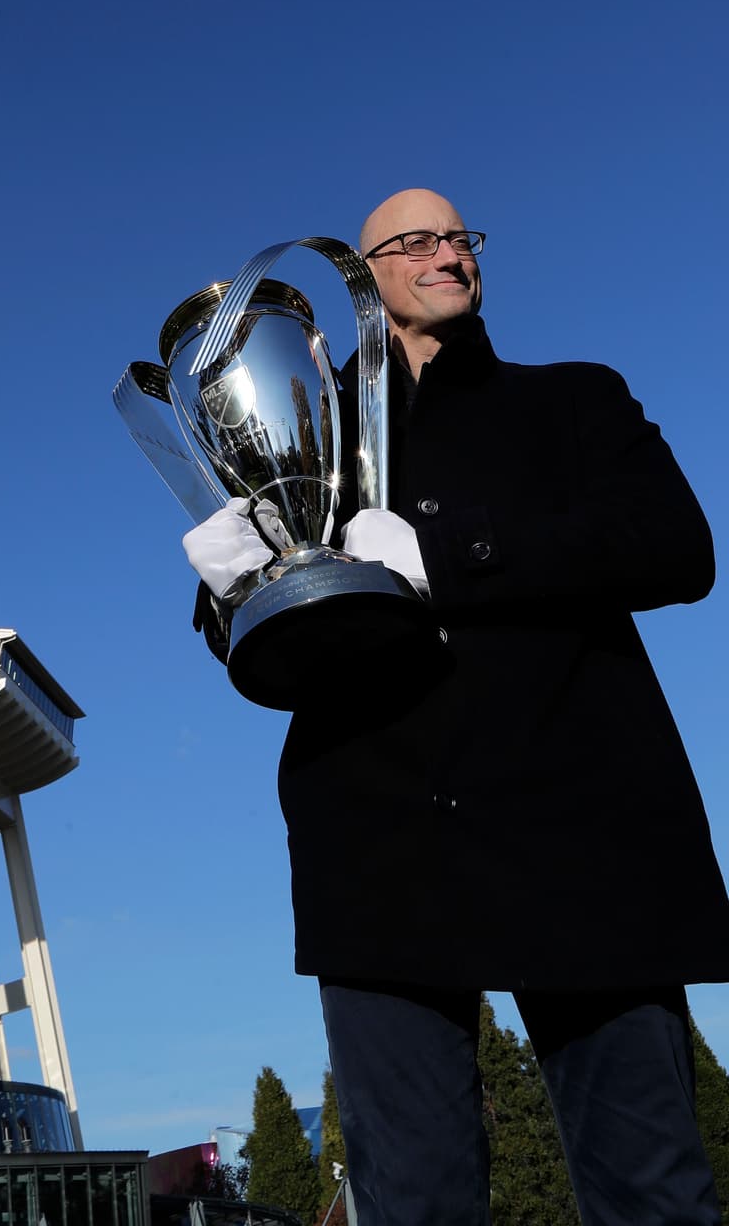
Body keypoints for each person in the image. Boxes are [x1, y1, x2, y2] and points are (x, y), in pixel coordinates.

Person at [182, 187, 729, 1226]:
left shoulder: (570, 399)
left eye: (459, 237)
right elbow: (263, 669)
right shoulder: (298, 442)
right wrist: (237, 597)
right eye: (417, 239)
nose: (447, 253)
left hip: (582, 834)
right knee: (414, 1201)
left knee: (649, 1187)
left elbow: (674, 546)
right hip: (378, 851)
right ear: (362, 274)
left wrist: (446, 554)